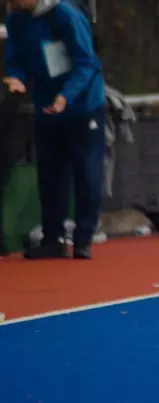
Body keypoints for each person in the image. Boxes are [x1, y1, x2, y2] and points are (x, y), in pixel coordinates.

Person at [3, 0, 105, 259]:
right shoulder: (16, 20)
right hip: (47, 107)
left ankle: (83, 238)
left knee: (86, 173)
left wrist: (66, 97)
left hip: (82, 106)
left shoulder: (65, 15)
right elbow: (16, 58)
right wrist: (17, 78)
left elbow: (86, 63)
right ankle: (53, 239)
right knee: (50, 175)